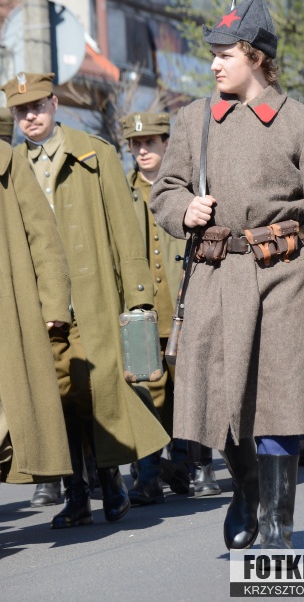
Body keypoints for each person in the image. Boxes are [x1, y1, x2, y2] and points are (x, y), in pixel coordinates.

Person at [150, 0, 304, 551]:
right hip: (215, 277)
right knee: (220, 398)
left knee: (279, 401)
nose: (214, 64)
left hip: (284, 276)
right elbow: (165, 189)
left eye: (225, 55)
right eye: (213, 55)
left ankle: (276, 526)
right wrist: (183, 209)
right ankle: (247, 490)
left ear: (257, 57)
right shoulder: (194, 121)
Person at [2, 72, 169, 528]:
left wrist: (138, 299)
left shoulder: (96, 153)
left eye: (37, 106)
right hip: (38, 306)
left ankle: (110, 480)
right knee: (56, 399)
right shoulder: (11, 164)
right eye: (21, 110)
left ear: (55, 104)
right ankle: (76, 491)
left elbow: (125, 230)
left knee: (96, 392)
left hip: (92, 299)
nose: (30, 116)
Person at [121, 110, 221, 501]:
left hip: (188, 303)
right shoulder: (121, 189)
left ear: (166, 143)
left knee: (193, 388)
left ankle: (197, 466)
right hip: (142, 310)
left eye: (150, 142)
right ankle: (148, 476)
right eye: (136, 144)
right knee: (147, 390)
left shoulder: (191, 186)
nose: (143, 150)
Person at [0, 140, 72, 488]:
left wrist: (54, 302)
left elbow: (43, 236)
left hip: (8, 314)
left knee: (9, 422)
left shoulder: (8, 161)